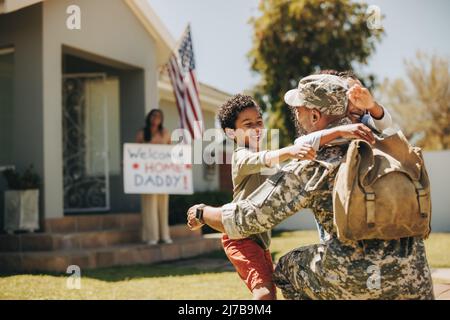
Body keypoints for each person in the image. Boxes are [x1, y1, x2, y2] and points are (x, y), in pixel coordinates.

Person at [187, 74, 434, 300]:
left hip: (360, 278)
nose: (296, 114)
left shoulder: (316, 162)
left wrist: (202, 212)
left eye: (299, 110)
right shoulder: (382, 143)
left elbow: (247, 219)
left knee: (285, 269)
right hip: (416, 276)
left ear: (315, 116)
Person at [136, 109, 172, 245]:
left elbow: (171, 152)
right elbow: (135, 152)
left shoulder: (165, 133)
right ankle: (151, 237)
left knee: (163, 205)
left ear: (161, 119)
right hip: (147, 176)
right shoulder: (142, 133)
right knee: (149, 205)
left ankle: (164, 235)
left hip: (163, 175)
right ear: (149, 118)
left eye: (158, 116)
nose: (155, 118)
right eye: (153, 116)